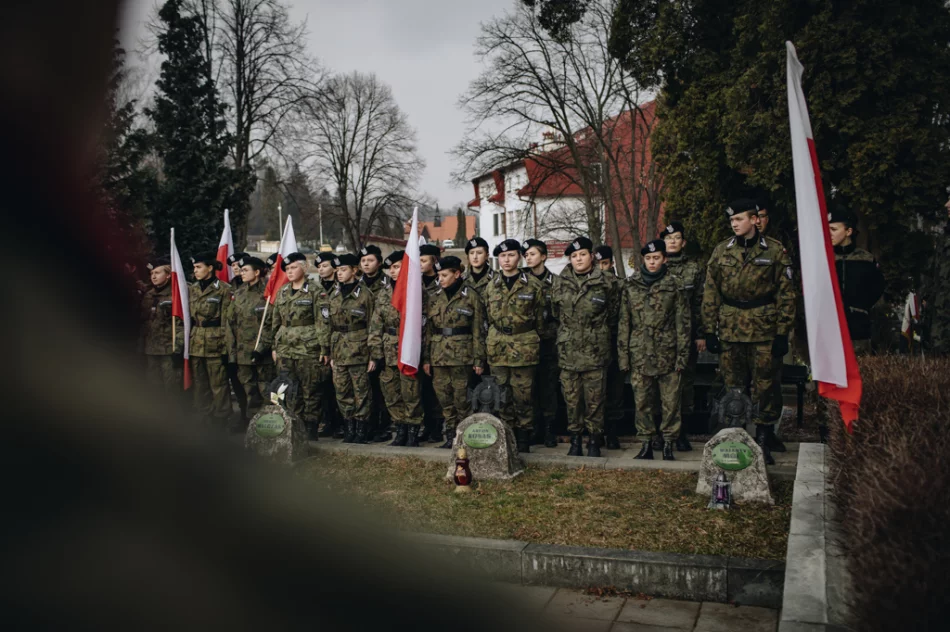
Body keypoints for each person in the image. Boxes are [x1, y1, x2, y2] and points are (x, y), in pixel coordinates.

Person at [702, 199, 796, 464]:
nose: (734, 224)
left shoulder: (776, 251)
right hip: (731, 328)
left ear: (755, 220)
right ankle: (736, 439)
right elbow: (711, 292)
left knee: (766, 386)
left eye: (739, 219)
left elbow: (787, 294)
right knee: (733, 386)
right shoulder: (721, 251)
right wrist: (710, 330)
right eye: (731, 220)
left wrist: (782, 332)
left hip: (764, 329)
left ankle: (764, 439)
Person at [618, 239, 690, 461]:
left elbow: (683, 323)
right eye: (648, 258)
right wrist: (623, 357)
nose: (652, 262)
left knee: (670, 403)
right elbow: (624, 323)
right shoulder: (631, 285)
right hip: (639, 352)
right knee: (642, 402)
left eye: (656, 258)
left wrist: (682, 356)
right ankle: (646, 442)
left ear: (664, 259)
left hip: (667, 351)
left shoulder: (675, 285)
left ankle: (669, 442)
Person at [817, 209, 886, 440]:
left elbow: (877, 289)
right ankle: (826, 427)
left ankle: (854, 424)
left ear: (849, 232)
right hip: (829, 330)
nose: (829, 234)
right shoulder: (823, 259)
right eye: (827, 230)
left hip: (857, 328)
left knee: (857, 374)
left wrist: (858, 308)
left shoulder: (865, 260)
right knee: (828, 378)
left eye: (834, 229)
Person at [551, 237, 619, 457]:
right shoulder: (560, 282)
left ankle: (594, 440)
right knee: (571, 399)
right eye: (574, 256)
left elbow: (614, 314)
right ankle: (575, 440)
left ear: (592, 256)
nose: (578, 259)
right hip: (568, 351)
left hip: (595, 351)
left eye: (582, 254)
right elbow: (556, 313)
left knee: (595, 399)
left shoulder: (607, 282)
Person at [485, 239, 545, 452]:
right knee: (501, 395)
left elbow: (540, 320)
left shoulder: (533, 285)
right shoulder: (491, 286)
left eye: (511, 255)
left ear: (519, 257)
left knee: (523, 395)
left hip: (523, 347)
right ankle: (506, 436)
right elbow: (487, 317)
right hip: (498, 347)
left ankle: (524, 437)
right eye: (502, 256)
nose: (506, 260)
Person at [423, 255, 487, 448]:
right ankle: (450, 436)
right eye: (439, 275)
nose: (440, 279)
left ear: (457, 274)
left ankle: (464, 437)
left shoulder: (471, 296)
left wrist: (479, 358)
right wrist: (426, 358)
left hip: (462, 356)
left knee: (462, 399)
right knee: (444, 398)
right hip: (439, 356)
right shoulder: (434, 297)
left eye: (444, 275)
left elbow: (478, 330)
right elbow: (428, 330)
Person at [270, 252, 330, 439]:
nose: (290, 271)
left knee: (310, 390)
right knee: (289, 389)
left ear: (304, 268)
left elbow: (323, 321)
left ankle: (311, 427)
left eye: (294, 267)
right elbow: (275, 321)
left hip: (308, 348)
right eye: (287, 269)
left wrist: (324, 348)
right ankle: (295, 425)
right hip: (286, 348)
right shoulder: (283, 291)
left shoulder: (315, 290)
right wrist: (274, 346)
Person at [368, 250, 423, 447]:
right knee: (391, 393)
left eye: (397, 266)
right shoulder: (383, 293)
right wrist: (376, 352)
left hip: (408, 349)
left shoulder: (416, 290)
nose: (392, 271)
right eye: (390, 268)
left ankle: (413, 431)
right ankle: (400, 429)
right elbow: (376, 325)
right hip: (388, 349)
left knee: (411, 393)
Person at [661, 222, 705, 451]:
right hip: (659, 339)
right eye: (669, 238)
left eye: (677, 237)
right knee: (662, 385)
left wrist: (700, 335)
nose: (673, 241)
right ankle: (663, 432)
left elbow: (699, 302)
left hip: (686, 336)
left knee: (685, 384)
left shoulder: (694, 268)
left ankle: (682, 432)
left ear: (683, 242)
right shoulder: (656, 265)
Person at [328, 253, 376, 443]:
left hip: (359, 351)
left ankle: (362, 428)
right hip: (339, 350)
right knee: (341, 390)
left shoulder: (365, 295)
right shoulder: (334, 294)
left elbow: (373, 326)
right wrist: (330, 352)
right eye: (337, 270)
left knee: (361, 391)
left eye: (343, 270)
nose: (339, 273)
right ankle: (349, 426)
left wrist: (373, 355)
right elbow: (329, 325)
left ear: (354, 271)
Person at [226, 256, 275, 427]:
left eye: (245, 270)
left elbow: (271, 324)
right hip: (243, 354)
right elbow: (230, 324)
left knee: (268, 391)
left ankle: (272, 425)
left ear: (257, 272)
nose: (241, 272)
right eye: (241, 270)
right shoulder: (239, 294)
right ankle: (255, 427)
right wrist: (232, 356)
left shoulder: (269, 293)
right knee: (250, 391)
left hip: (263, 353)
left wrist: (262, 348)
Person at [189, 251, 235, 426]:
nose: (196, 271)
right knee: (200, 383)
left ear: (210, 268)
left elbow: (226, 321)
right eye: (194, 268)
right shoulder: (192, 288)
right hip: (197, 340)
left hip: (215, 341)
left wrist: (226, 348)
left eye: (199, 267)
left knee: (218, 383)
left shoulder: (223, 289)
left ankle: (221, 417)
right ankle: (203, 415)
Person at [521, 238, 559, 447]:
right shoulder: (521, 282)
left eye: (533, 254)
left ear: (543, 256)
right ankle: (533, 429)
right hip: (526, 343)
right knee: (529, 387)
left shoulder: (556, 282)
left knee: (548, 387)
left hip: (548, 343)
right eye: (526, 255)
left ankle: (549, 430)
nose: (529, 258)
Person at [593, 244, 625, 449]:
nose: (601, 268)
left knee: (615, 389)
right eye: (598, 264)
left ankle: (613, 432)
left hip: (615, 341)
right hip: (595, 344)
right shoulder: (590, 286)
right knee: (596, 390)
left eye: (604, 263)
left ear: (611, 264)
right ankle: (598, 431)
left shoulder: (621, 285)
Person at [357, 244, 390, 442]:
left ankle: (383, 425)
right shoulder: (357, 284)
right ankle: (367, 425)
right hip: (360, 343)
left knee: (381, 388)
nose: (366, 264)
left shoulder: (387, 283)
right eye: (363, 261)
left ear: (378, 262)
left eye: (370, 260)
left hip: (383, 341)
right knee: (364, 387)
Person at [140, 255, 183, 394]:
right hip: (151, 347)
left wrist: (179, 346)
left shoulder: (176, 294)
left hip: (169, 347)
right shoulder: (148, 294)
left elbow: (181, 323)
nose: (153, 276)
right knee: (153, 386)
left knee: (171, 386)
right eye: (152, 273)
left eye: (157, 273)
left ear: (169, 275)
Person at [418, 242, 445, 443]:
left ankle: (437, 426)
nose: (420, 264)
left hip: (437, 343)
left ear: (434, 261)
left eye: (424, 260)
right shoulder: (414, 282)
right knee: (422, 389)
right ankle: (426, 425)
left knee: (437, 388)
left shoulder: (442, 282)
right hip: (417, 342)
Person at [314, 251, 343, 438]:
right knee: (323, 387)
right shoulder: (315, 288)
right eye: (318, 267)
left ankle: (341, 423)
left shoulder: (341, 287)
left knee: (339, 388)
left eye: (324, 265)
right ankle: (328, 421)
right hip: (319, 343)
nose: (321, 269)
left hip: (340, 343)